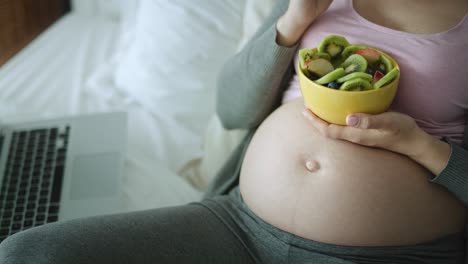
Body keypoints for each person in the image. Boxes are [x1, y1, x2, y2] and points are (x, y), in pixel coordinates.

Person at [0, 0, 467, 263]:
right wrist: (293, 22)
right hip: (240, 226)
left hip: (396, 253)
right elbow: (232, 109)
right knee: (30, 253)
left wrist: (419, 145)